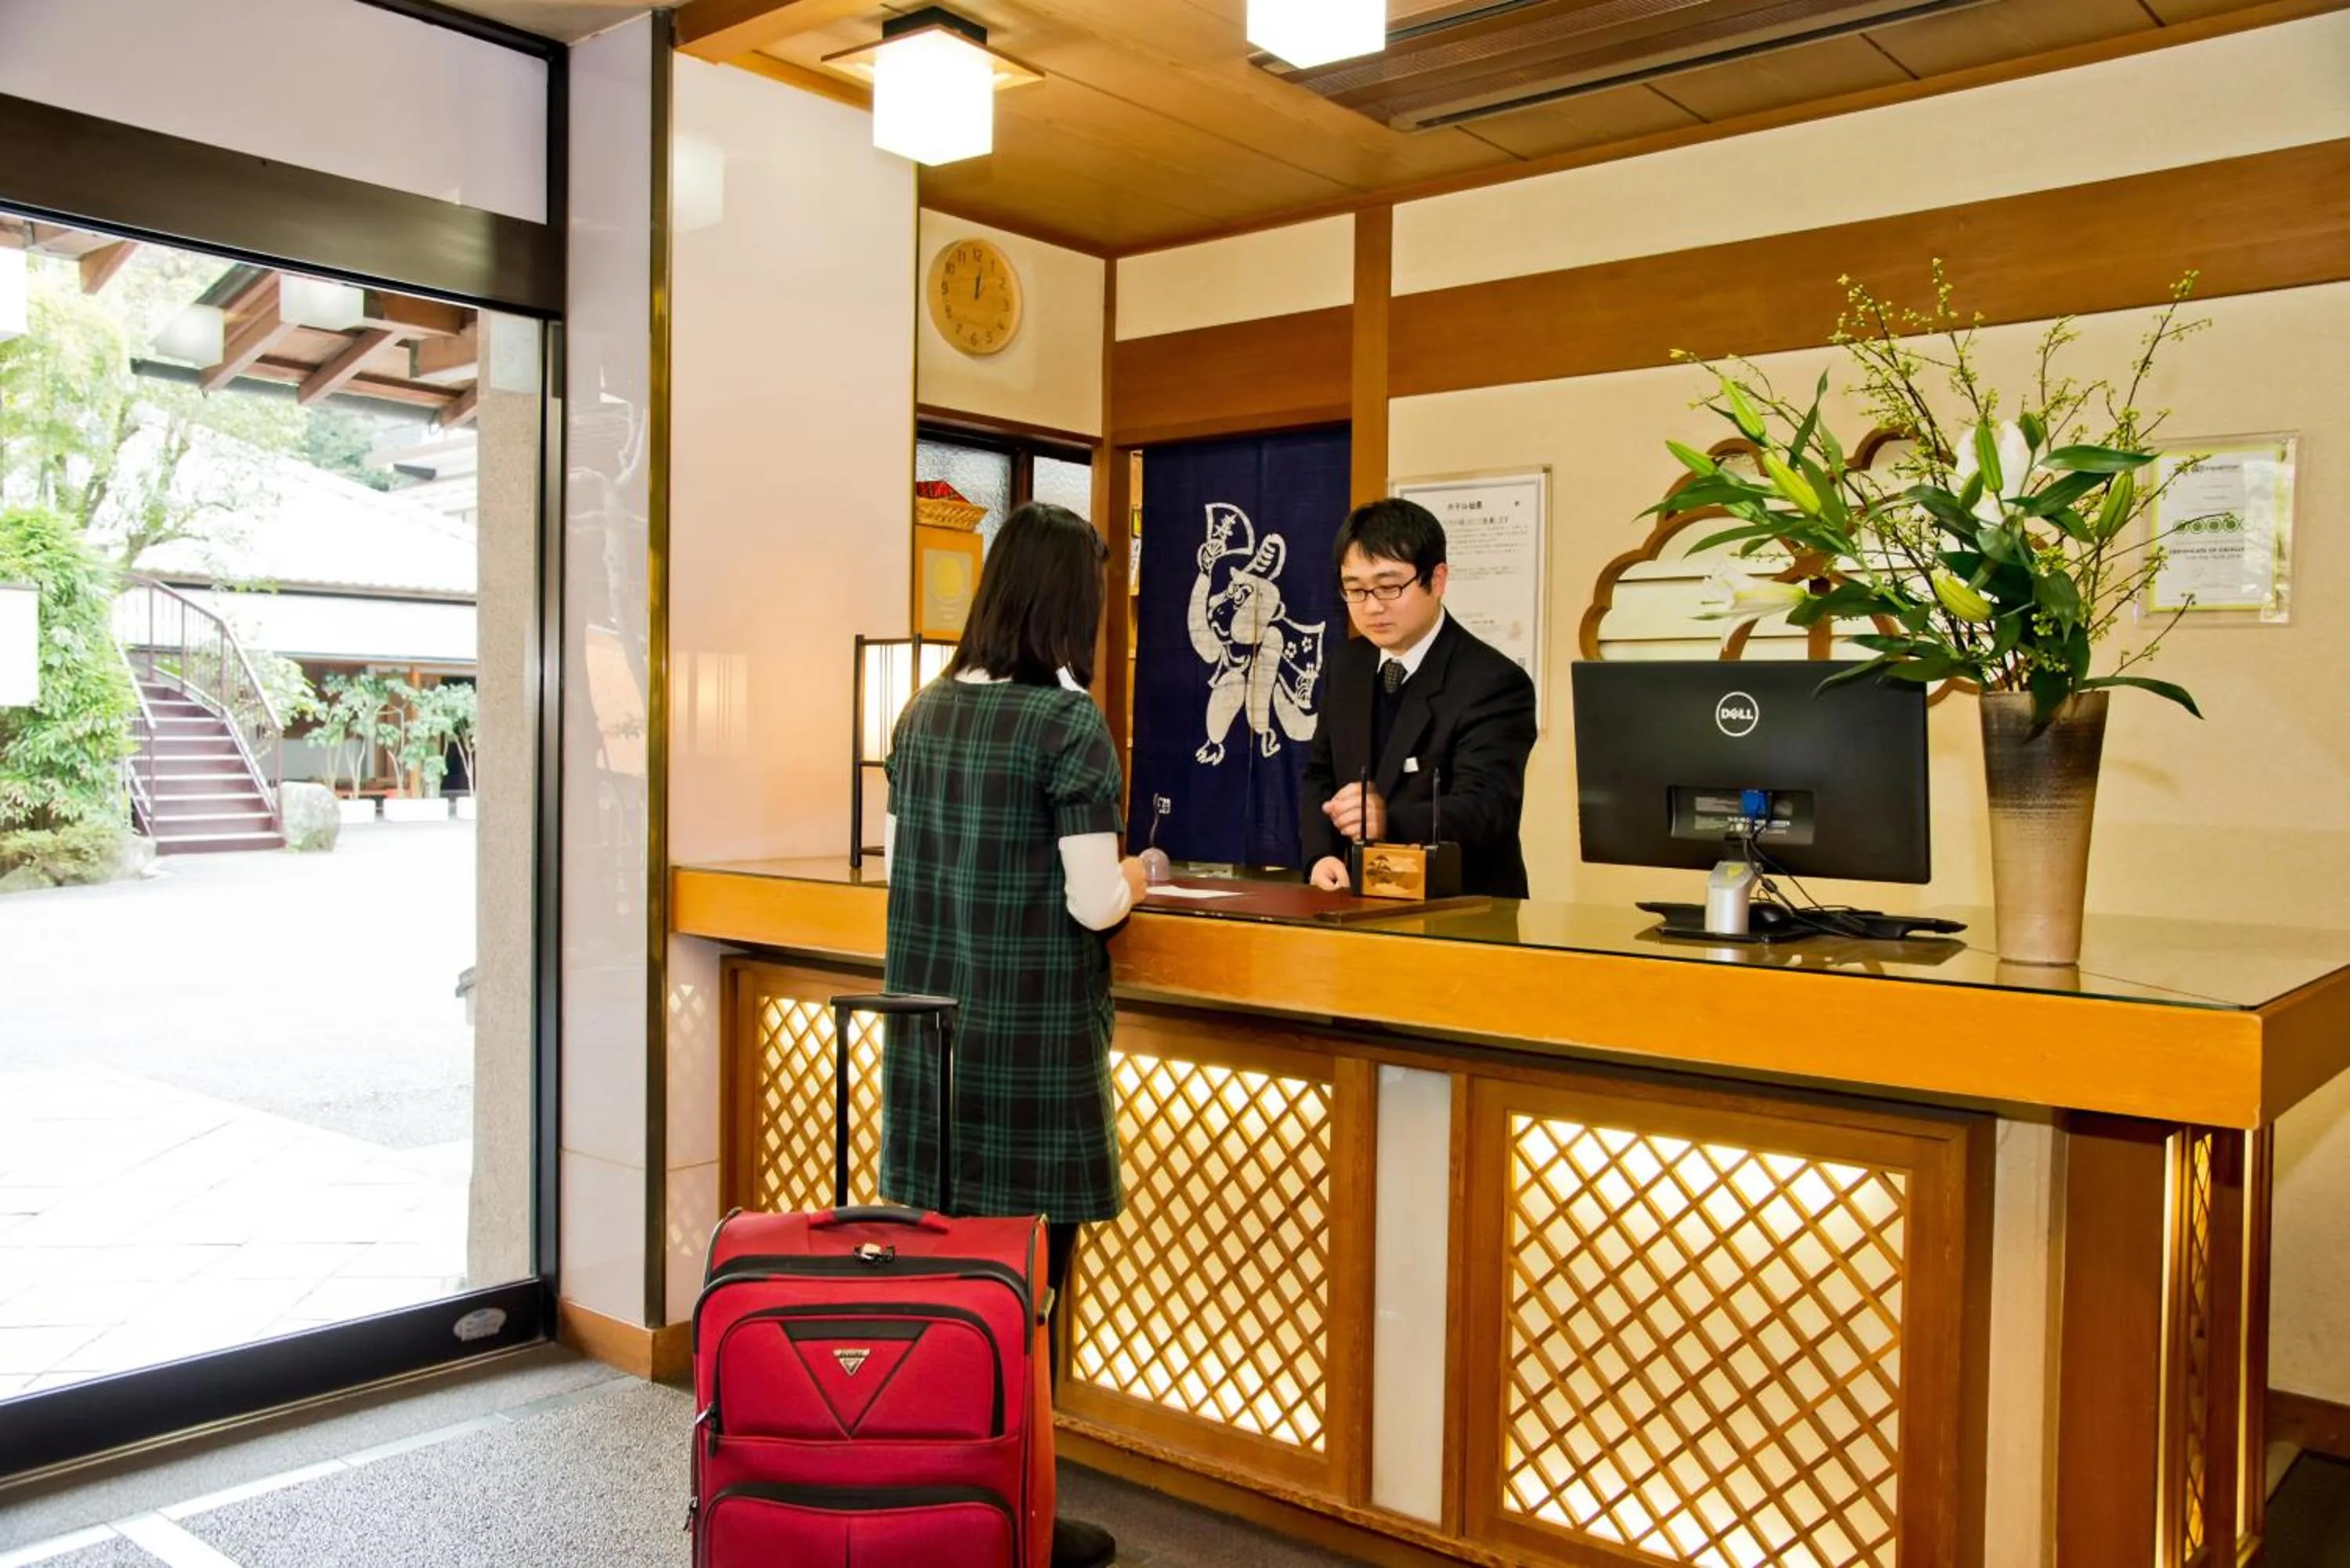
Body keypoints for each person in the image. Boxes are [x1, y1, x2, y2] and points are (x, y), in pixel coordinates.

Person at [880, 500, 1144, 1568]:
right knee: (1025, 1304)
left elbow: (903, 873)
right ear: (1070, 602)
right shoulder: (1070, 726)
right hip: (1030, 1046)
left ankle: (942, 1500)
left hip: (931, 1045)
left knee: (949, 1289)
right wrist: (1141, 875)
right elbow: (1093, 903)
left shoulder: (923, 711)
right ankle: (1017, 1519)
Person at [1299, 497, 1539, 899]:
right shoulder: (1347, 664)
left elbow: (1488, 806)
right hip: (1353, 901)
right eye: (1355, 589)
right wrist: (1320, 856)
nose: (1372, 607)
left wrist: (1386, 821)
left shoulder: (1493, 681)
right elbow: (1320, 776)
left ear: (1437, 579)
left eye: (1390, 586)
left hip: (1461, 910)